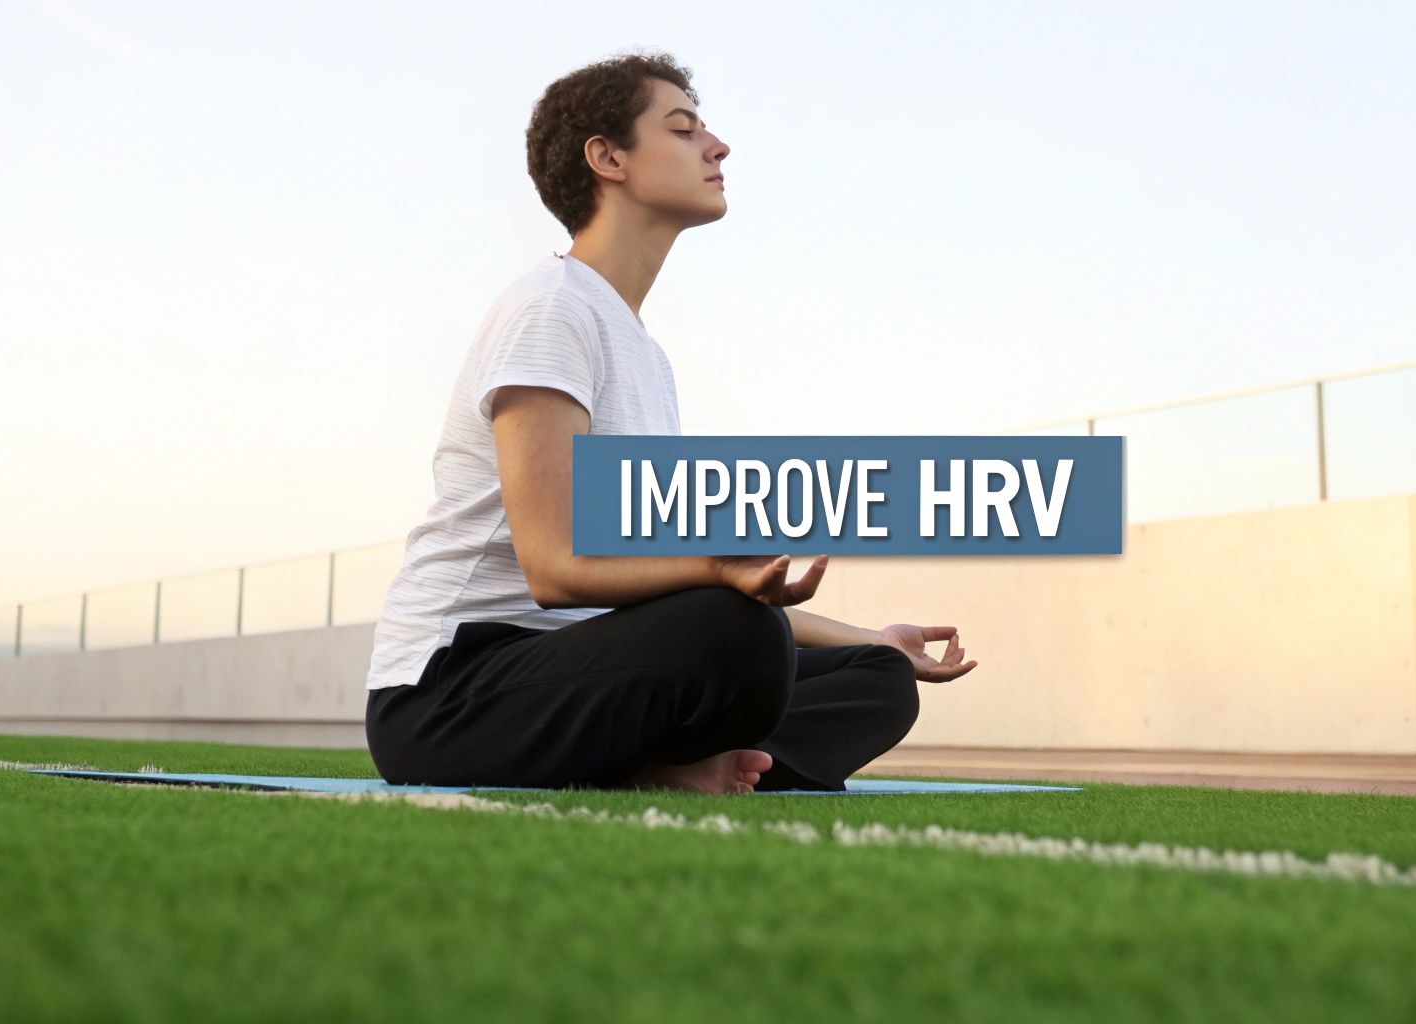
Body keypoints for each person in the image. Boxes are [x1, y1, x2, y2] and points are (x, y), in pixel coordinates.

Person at [363, 51, 978, 795]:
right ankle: (688, 763)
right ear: (608, 157)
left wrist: (872, 638)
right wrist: (715, 570)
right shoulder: (550, 308)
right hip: (451, 698)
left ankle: (682, 765)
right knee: (735, 633)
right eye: (684, 130)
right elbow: (553, 568)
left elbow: (734, 585)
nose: (717, 147)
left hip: (598, 674)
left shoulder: (649, 360)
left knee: (877, 678)